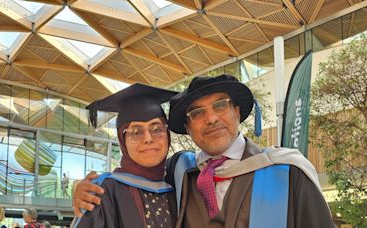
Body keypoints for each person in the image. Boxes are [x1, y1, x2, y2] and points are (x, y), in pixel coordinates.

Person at [73, 75, 335, 227]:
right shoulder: (182, 172)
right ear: (187, 126)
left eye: (220, 106)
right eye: (197, 112)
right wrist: (82, 193)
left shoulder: (287, 173)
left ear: (237, 112)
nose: (210, 119)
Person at [72, 83, 178, 227]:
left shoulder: (179, 183)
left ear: (167, 134)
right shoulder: (102, 191)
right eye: (136, 132)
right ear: (123, 141)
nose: (148, 138)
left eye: (157, 128)